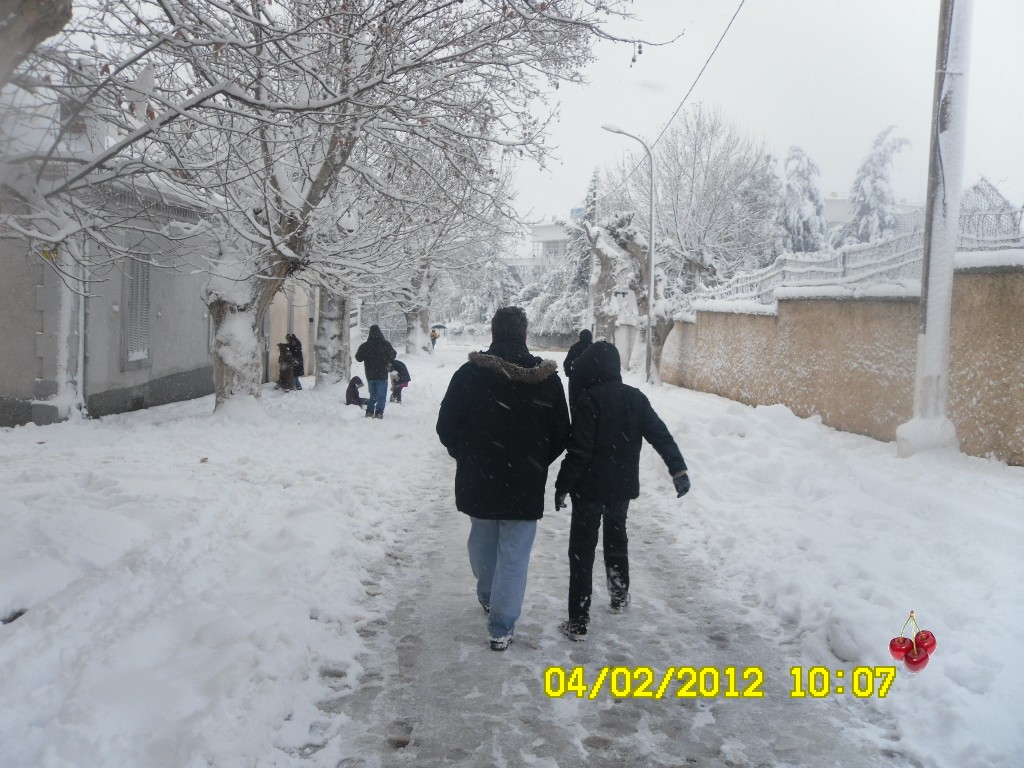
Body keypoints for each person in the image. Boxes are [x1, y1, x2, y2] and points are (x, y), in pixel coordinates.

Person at [436, 307, 570, 651]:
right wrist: (535, 460)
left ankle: (487, 594)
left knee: (482, 541)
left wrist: (466, 454)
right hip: (525, 482)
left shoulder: (469, 375)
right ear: (524, 334)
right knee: (514, 554)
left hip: (479, 477)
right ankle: (501, 625)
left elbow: (446, 426)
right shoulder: (547, 379)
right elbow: (561, 434)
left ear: (493, 334)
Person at [553, 341, 691, 642]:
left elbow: (580, 451)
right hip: (621, 488)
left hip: (588, 490)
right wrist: (678, 470)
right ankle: (619, 594)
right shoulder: (635, 398)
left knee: (582, 551)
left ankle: (578, 620)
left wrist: (562, 485)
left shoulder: (589, 400)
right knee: (616, 537)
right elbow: (660, 435)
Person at [354, 324, 397, 419]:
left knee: (373, 394)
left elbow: (358, 358)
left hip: (370, 375)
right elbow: (393, 354)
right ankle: (379, 412)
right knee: (382, 395)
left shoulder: (365, 346)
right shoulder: (385, 344)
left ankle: (369, 411)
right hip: (382, 374)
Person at [562, 328, 593, 410]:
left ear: (580, 337)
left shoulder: (574, 348)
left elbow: (566, 363)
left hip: (576, 382)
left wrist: (569, 374)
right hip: (591, 382)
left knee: (575, 406)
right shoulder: (593, 349)